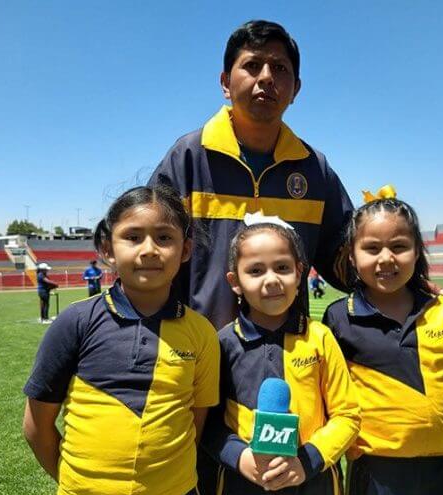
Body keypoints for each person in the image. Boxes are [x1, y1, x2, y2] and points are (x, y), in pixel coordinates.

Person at [149, 19, 353, 331]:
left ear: (296, 89)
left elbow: (349, 259)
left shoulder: (314, 169)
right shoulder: (188, 157)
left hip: (287, 356)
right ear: (225, 82)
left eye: (280, 68)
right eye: (252, 65)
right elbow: (151, 253)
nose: (267, 78)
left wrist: (413, 286)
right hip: (201, 355)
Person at [22, 185, 220, 495]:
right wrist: (80, 484)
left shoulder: (202, 333)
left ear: (185, 251)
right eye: (133, 236)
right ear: (108, 250)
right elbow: (36, 427)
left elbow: (195, 423)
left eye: (165, 237)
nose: (149, 249)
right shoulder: (75, 323)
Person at [322, 189, 443, 495]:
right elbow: (326, 395)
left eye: (399, 247)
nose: (386, 258)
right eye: (371, 248)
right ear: (351, 255)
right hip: (374, 471)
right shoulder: (339, 318)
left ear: (417, 252)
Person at [204, 215, 360, 495]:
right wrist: (240, 458)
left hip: (315, 483)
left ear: (299, 274)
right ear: (235, 281)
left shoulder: (320, 338)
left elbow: (347, 415)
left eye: (282, 267)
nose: (272, 280)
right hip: (243, 485)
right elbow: (207, 423)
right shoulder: (222, 344)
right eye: (255, 271)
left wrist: (308, 460)